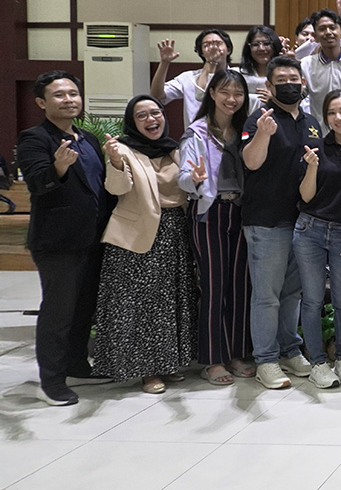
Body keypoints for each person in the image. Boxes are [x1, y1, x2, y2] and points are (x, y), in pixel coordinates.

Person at [17, 71, 115, 406]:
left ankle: (76, 365)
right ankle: (52, 382)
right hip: (58, 241)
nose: (69, 99)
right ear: (41, 102)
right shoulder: (35, 138)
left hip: (93, 238)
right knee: (58, 313)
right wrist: (57, 167)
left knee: (84, 309)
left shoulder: (87, 139)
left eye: (73, 93)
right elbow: (36, 184)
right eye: (59, 95)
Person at [95, 95, 198, 394]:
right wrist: (116, 161)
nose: (151, 119)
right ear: (132, 121)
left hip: (174, 232)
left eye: (156, 112)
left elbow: (189, 187)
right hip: (136, 237)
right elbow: (116, 188)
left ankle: (167, 362)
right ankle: (146, 370)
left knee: (170, 302)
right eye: (142, 115)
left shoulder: (175, 149)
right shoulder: (123, 150)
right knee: (141, 305)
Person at [241, 55, 324, 389]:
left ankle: (290, 349)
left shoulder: (312, 121)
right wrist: (262, 135)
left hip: (303, 224)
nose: (289, 85)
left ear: (303, 83)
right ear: (269, 86)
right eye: (281, 81)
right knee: (267, 296)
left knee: (292, 293)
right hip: (267, 221)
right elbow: (251, 162)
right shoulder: (260, 119)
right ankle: (265, 359)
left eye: (294, 79)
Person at [178, 69, 254, 386]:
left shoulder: (246, 130)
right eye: (225, 92)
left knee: (240, 285)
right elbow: (184, 177)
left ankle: (236, 353)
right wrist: (194, 179)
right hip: (209, 213)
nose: (231, 99)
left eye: (238, 93)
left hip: (242, 212)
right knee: (214, 285)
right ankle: (212, 359)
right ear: (211, 93)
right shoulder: (197, 132)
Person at [293, 90, 341, 389]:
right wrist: (311, 167)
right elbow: (306, 196)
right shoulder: (317, 148)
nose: (338, 117)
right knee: (312, 299)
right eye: (332, 113)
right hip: (311, 229)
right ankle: (318, 363)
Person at [152, 29, 234, 126]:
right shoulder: (188, 77)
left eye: (217, 43)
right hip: (195, 134)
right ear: (201, 52)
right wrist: (164, 63)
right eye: (207, 45)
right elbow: (157, 95)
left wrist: (213, 62)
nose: (213, 48)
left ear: (228, 50)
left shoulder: (239, 76)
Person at [236, 25, 285, 105]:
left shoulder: (285, 75)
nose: (261, 48)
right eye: (255, 44)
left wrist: (277, 100)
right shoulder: (238, 75)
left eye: (266, 43)